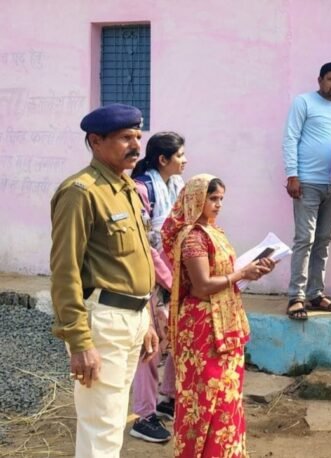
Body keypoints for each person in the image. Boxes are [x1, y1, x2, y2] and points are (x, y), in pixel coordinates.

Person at [50, 103, 158, 458]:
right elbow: (64, 272)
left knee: (112, 423)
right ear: (96, 141)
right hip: (104, 321)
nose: (136, 145)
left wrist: (146, 320)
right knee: (101, 426)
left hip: (132, 318)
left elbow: (134, 263)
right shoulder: (81, 192)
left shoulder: (125, 188)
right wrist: (79, 341)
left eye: (138, 137)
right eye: (126, 137)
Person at [162, 174, 275, 457]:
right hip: (203, 326)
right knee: (204, 400)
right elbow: (202, 286)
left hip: (225, 322)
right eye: (212, 198)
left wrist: (252, 272)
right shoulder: (193, 237)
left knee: (227, 398)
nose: (218, 204)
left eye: (221, 199)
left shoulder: (214, 232)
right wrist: (241, 273)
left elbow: (225, 276)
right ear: (196, 199)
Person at [282, 62, 331, 320]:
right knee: (305, 239)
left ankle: (315, 293)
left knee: (324, 240)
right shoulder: (303, 102)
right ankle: (296, 296)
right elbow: (290, 138)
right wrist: (292, 175)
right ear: (320, 80)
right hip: (307, 182)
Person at [128, 131, 187, 443]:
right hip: (151, 279)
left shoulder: (177, 186)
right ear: (163, 159)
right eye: (180, 155)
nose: (185, 160)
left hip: (175, 275)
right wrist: (170, 280)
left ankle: (168, 397)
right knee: (150, 346)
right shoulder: (142, 189)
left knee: (176, 336)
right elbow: (146, 247)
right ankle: (144, 416)